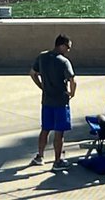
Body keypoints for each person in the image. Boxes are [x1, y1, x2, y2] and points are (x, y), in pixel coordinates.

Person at [30, 35, 76, 170]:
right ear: (61, 45)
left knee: (45, 129)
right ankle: (57, 161)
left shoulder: (42, 57)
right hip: (60, 101)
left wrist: (41, 86)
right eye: (68, 47)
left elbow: (32, 73)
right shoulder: (64, 61)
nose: (68, 50)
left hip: (47, 101)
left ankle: (40, 156)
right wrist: (72, 93)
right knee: (59, 132)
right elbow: (73, 80)